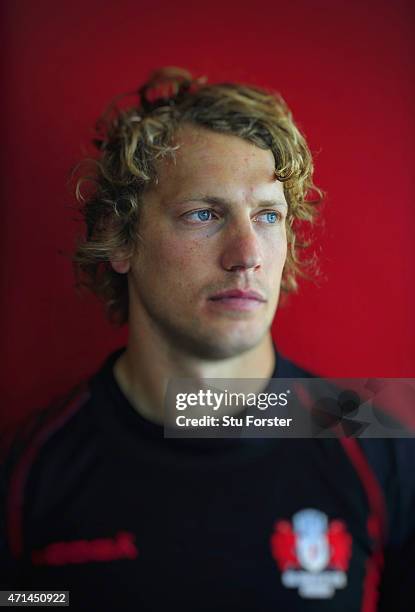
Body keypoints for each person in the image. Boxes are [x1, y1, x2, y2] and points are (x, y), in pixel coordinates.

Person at [1, 67, 414, 611]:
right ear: (119, 241)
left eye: (268, 216)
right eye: (204, 214)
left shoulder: (380, 440)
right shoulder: (34, 468)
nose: (247, 254)